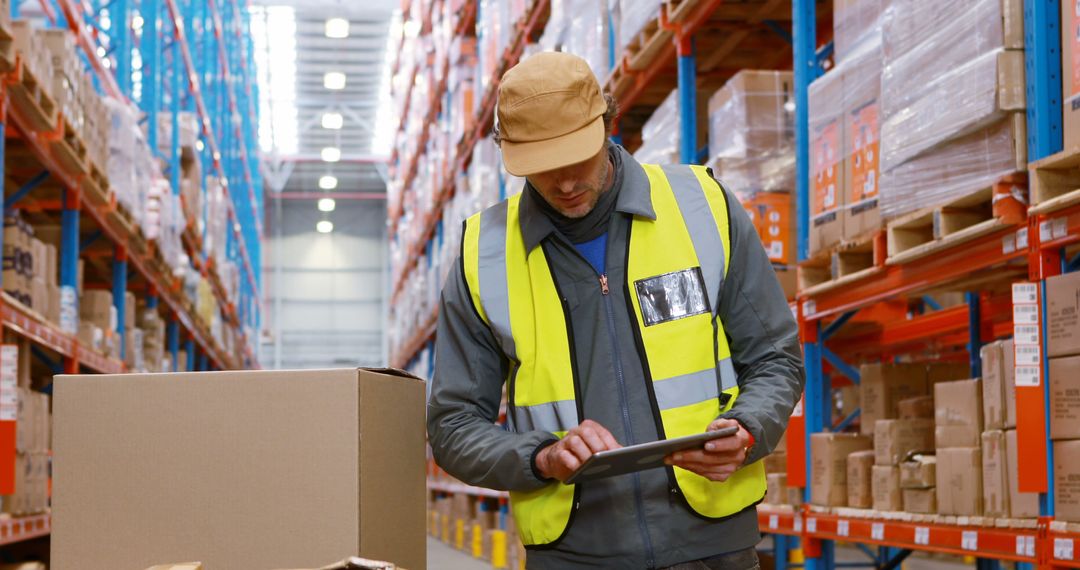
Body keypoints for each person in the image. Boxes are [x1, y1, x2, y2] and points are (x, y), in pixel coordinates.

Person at [427, 51, 804, 570]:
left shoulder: (703, 207)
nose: (563, 183)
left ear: (608, 124)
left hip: (712, 545)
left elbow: (776, 357)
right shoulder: (481, 256)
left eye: (577, 159)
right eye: (542, 168)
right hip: (573, 554)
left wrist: (747, 427)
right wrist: (539, 457)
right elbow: (452, 424)